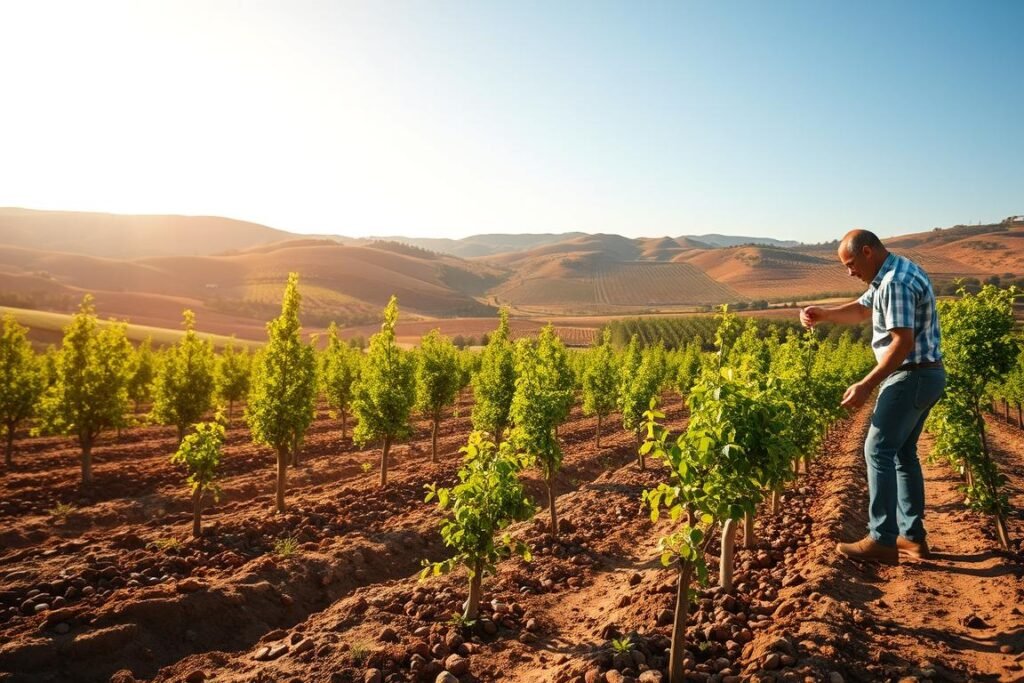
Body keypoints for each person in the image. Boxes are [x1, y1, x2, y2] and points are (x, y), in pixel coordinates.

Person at [800, 229, 945, 564]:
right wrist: (824, 314)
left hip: (911, 374)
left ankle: (882, 539)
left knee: (877, 449)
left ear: (867, 251)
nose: (850, 272)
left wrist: (866, 384)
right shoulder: (890, 274)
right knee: (903, 453)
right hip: (926, 375)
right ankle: (912, 539)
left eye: (851, 264)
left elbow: (902, 342)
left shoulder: (895, 282)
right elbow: (863, 310)